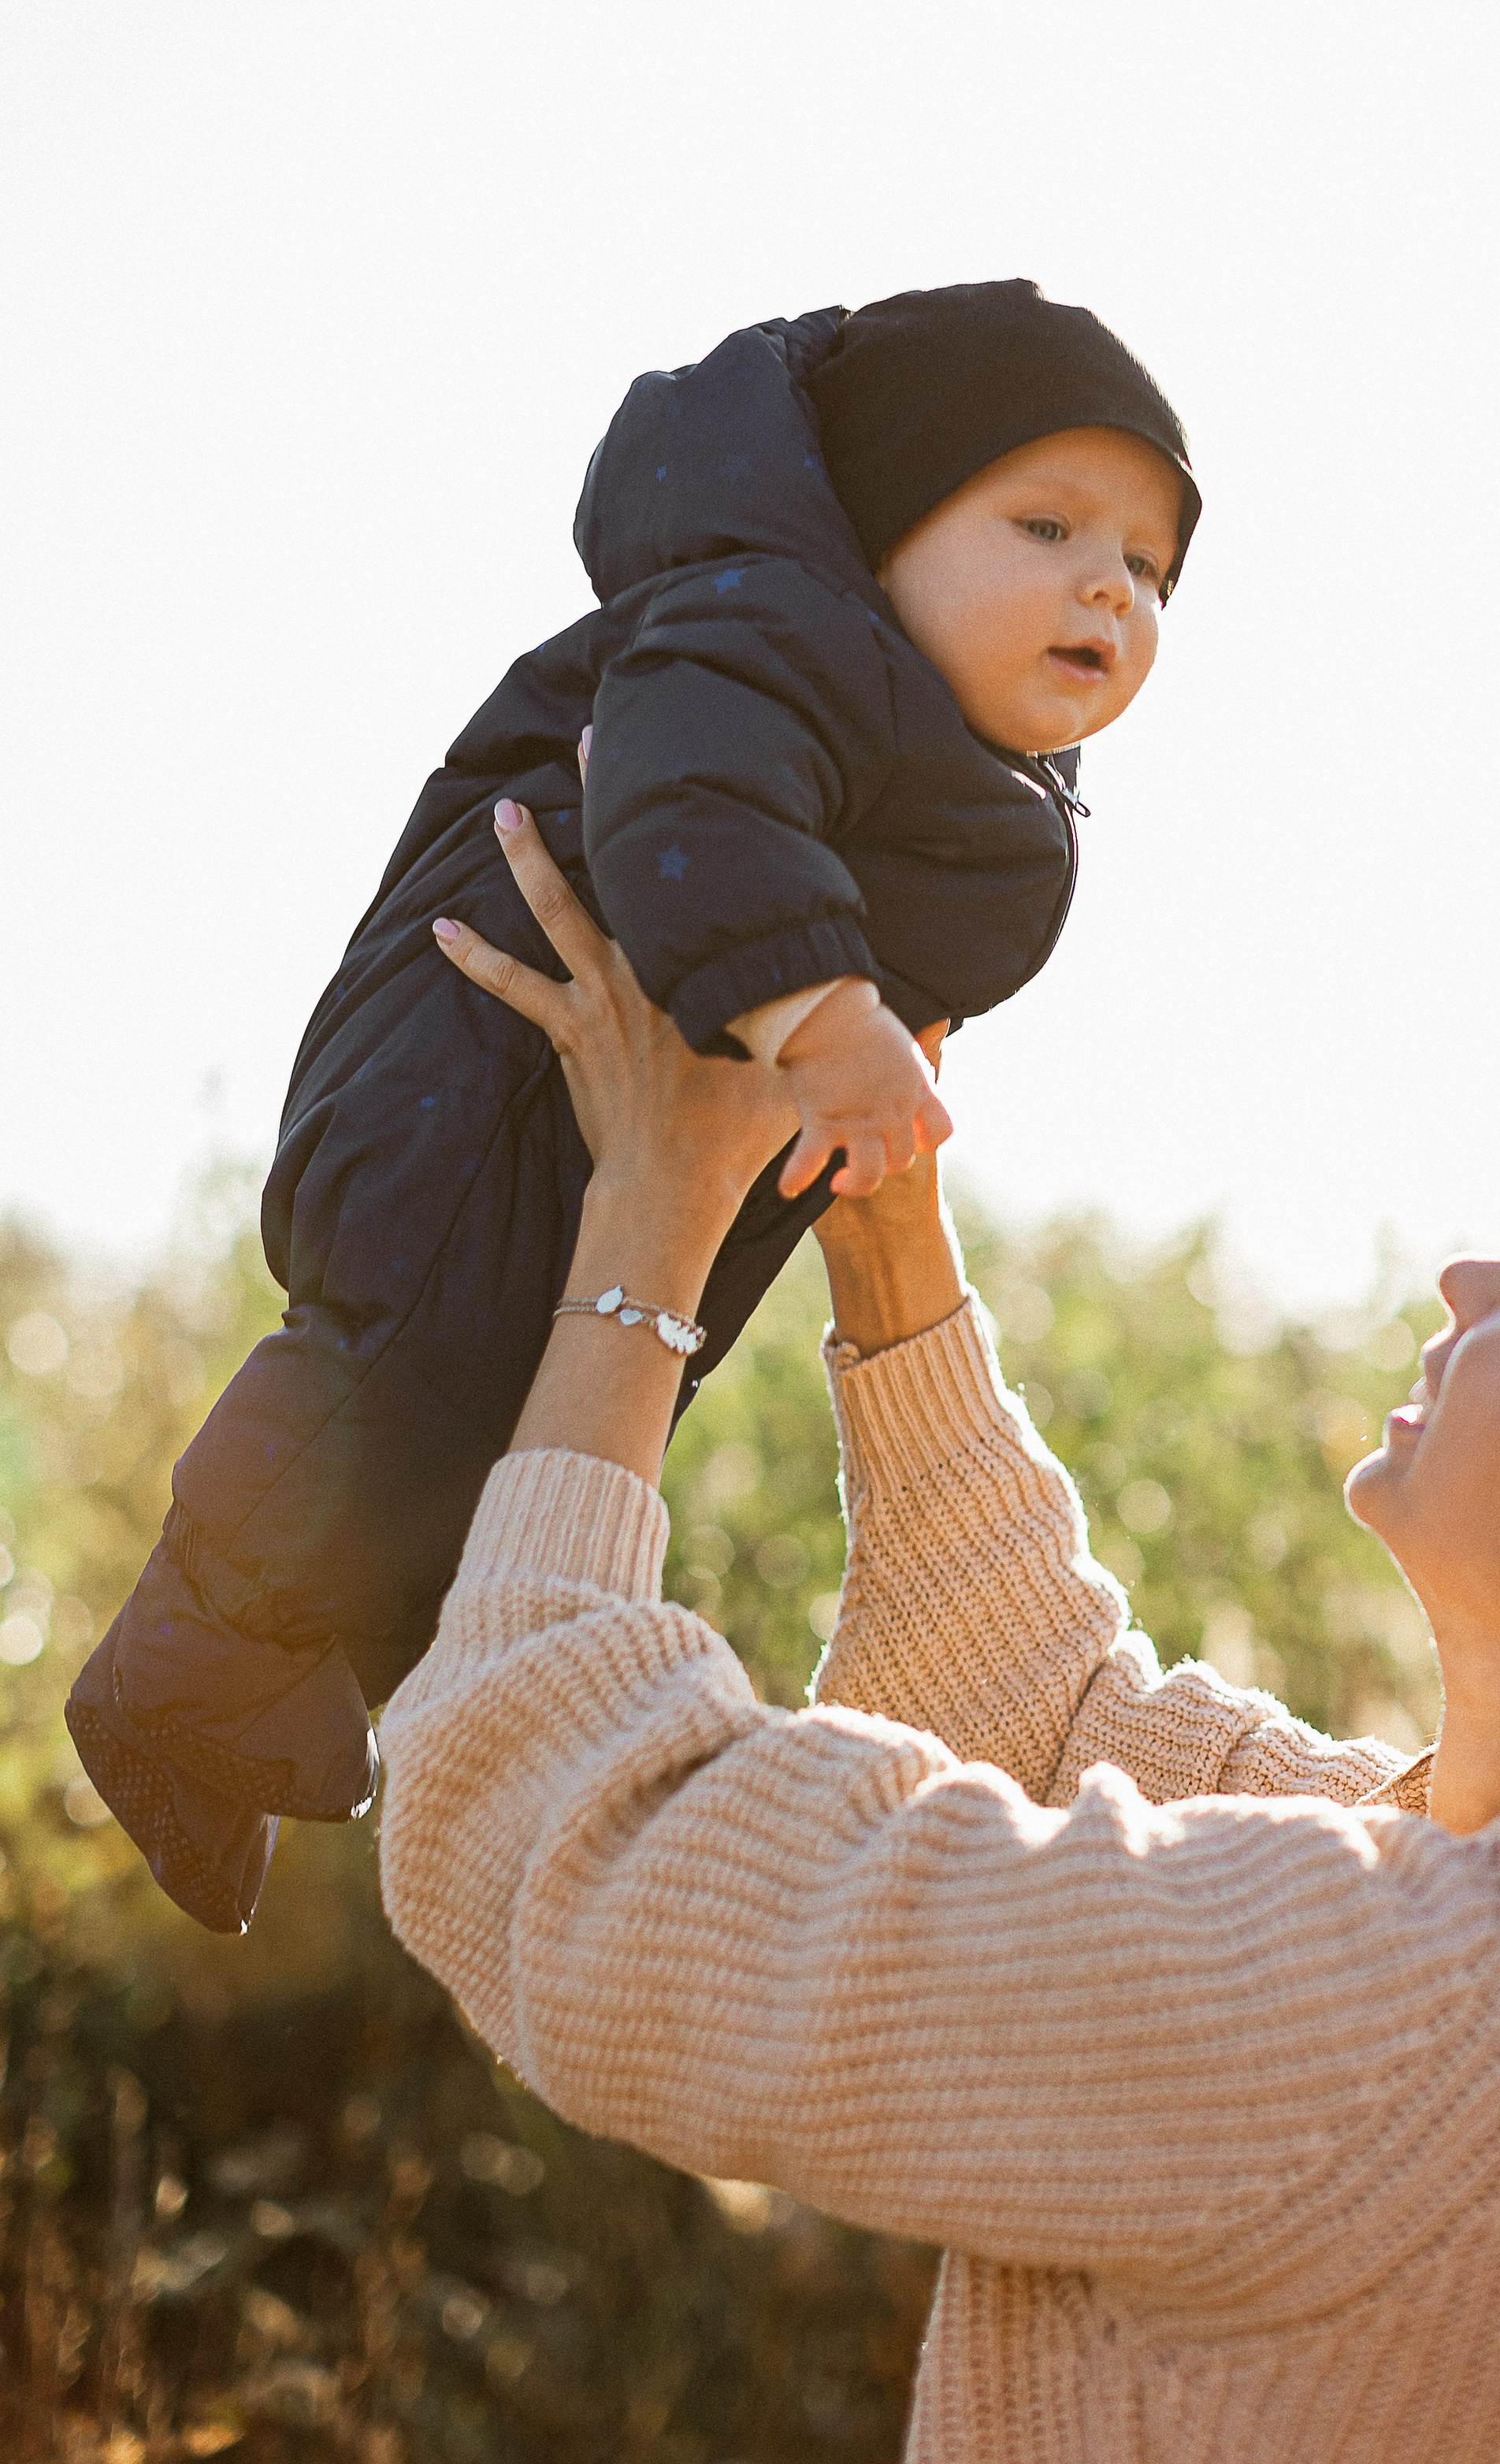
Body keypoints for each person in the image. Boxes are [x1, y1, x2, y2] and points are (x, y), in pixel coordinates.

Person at [380, 811, 1500, 2464]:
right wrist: (883, 1225)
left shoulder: (1404, 2003)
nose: (1468, 1275)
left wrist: (649, 1222)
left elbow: (573, 1846)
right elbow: (1029, 1715)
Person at [69, 280, 1198, 1937]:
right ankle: (185, 1662)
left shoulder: (949, 765)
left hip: (624, 1129)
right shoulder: (766, 632)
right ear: (873, 533)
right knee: (404, 1362)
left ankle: (283, 1687)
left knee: (529, 1444)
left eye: (1151, 569)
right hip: (475, 1070)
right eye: (1043, 523)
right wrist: (818, 1003)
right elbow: (691, 790)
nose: (1106, 582)